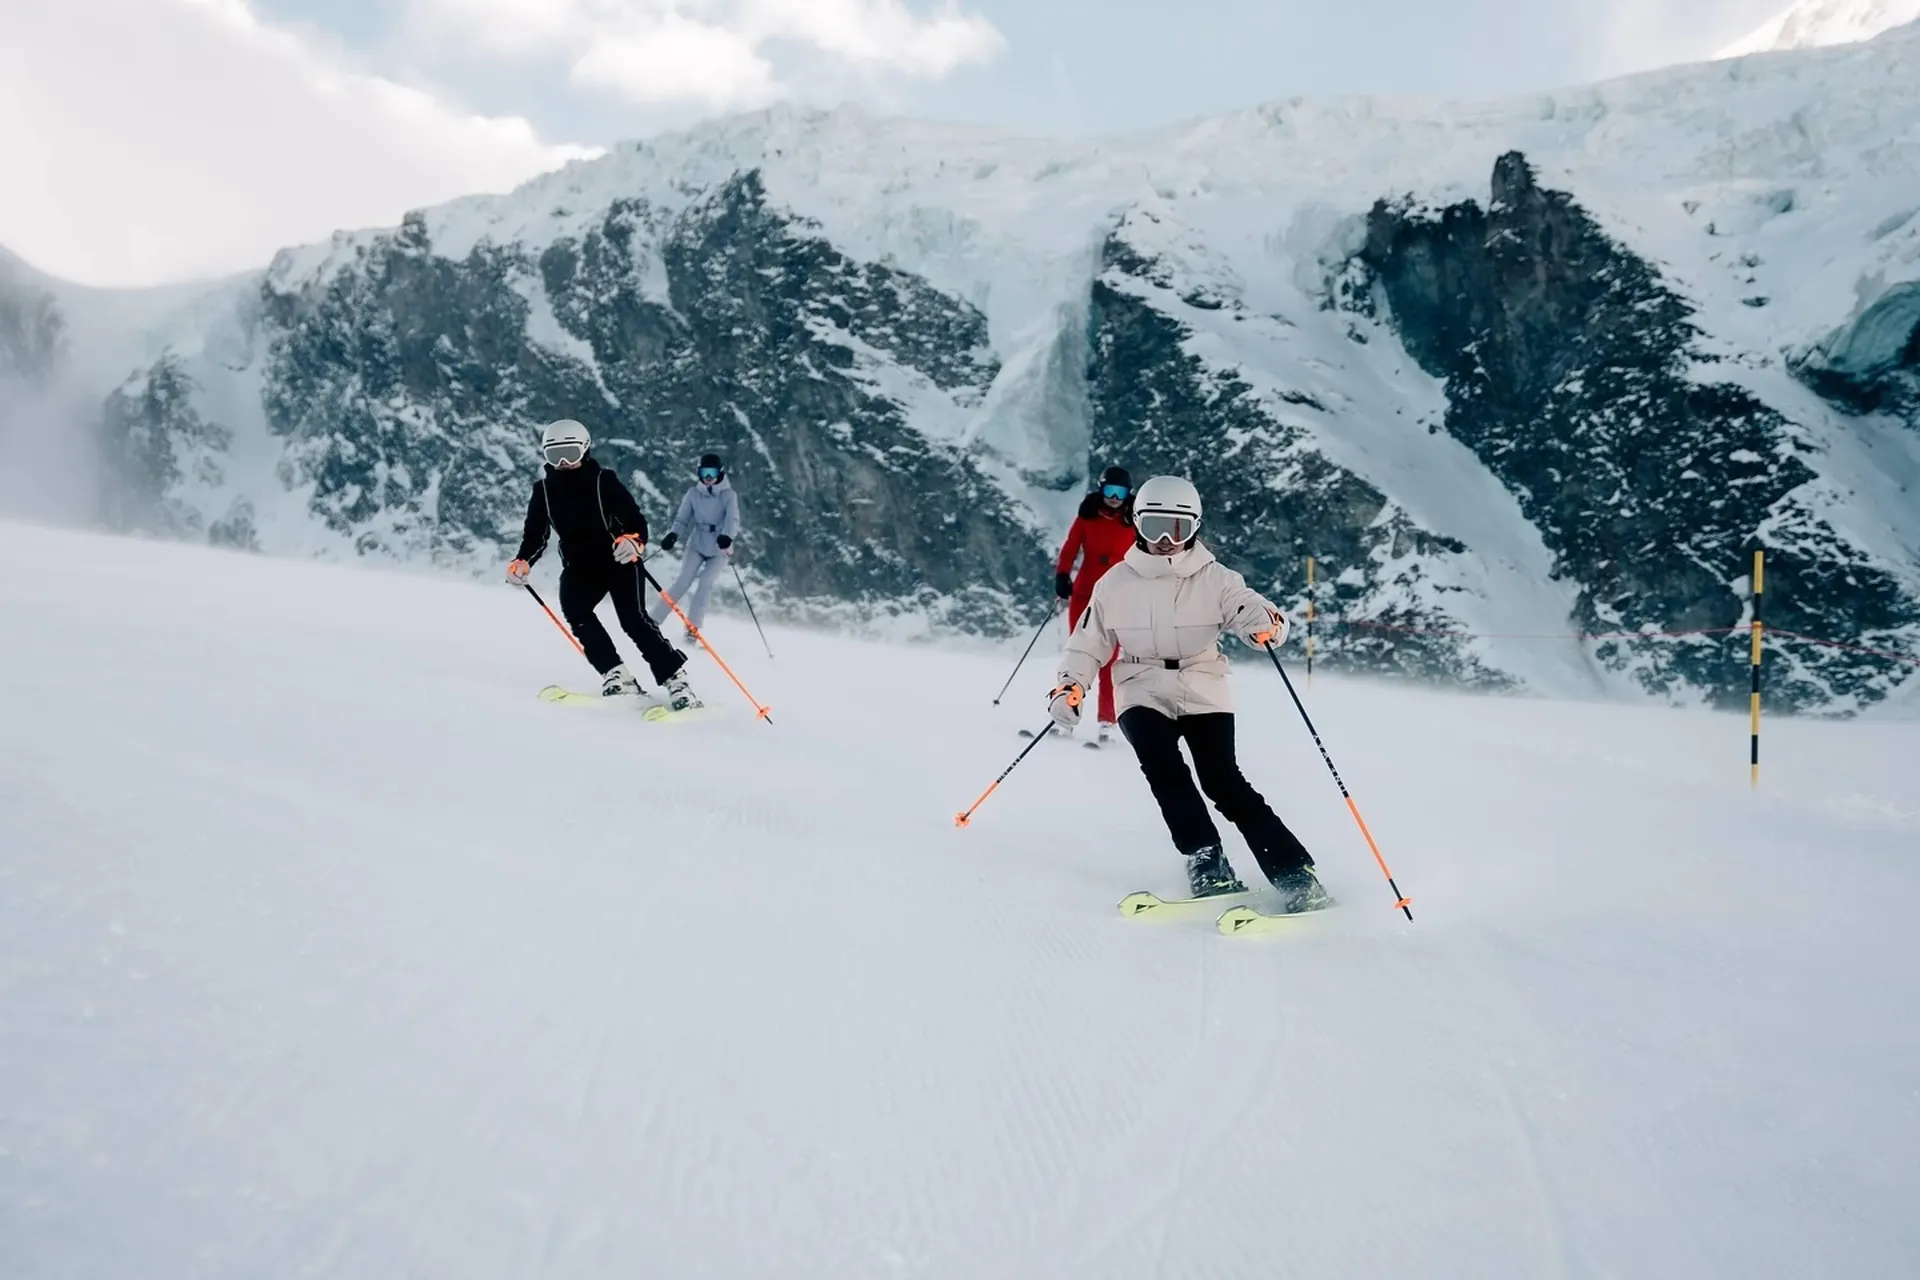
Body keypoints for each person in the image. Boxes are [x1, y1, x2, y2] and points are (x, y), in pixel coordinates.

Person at [1047, 475, 1328, 911]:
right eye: (1155, 525)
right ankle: (1205, 859)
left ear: (1194, 528)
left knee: (1223, 781)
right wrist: (1070, 686)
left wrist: (1267, 624)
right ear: (1137, 523)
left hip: (1201, 682)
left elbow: (1251, 608)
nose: (1164, 540)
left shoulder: (1216, 579)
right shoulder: (1115, 584)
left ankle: (1294, 872)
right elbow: (1088, 643)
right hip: (1140, 685)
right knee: (1164, 768)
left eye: (1176, 528)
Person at [505, 420, 703, 710]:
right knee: (576, 610)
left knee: (633, 621)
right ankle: (615, 674)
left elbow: (636, 521)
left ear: (584, 450)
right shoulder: (544, 491)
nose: (563, 462)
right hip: (579, 567)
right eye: (555, 454)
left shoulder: (603, 481)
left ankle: (675, 678)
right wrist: (523, 561)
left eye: (570, 453)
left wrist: (633, 541)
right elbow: (536, 534)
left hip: (619, 561)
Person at [1054, 464, 1135, 746]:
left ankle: (1106, 721)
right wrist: (1063, 575)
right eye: (1109, 491)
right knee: (1078, 654)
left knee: (1109, 660)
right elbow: (1070, 546)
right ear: (1101, 489)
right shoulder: (1087, 516)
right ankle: (1065, 716)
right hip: (1084, 593)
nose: (1114, 497)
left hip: (1116, 597)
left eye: (1120, 492)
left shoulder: (1133, 521)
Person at [650, 452, 740, 639]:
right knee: (682, 581)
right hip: (698, 542)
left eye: (712, 473)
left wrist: (727, 536)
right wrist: (674, 534)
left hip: (719, 547)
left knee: (705, 584)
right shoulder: (693, 494)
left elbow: (733, 520)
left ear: (720, 474)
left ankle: (692, 628)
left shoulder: (728, 495)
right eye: (704, 473)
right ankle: (654, 619)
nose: (708, 478)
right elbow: (682, 519)